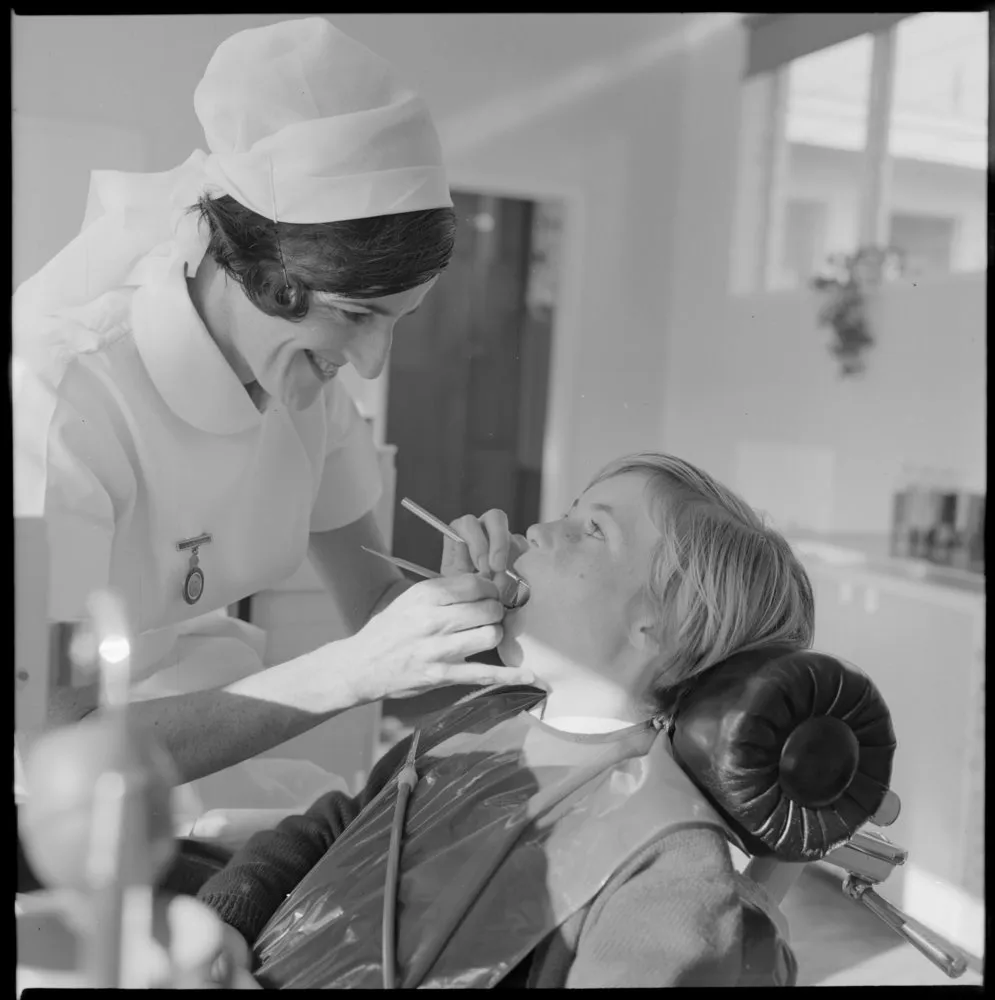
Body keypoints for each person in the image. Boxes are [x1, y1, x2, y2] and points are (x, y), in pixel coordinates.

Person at [12, 17, 534, 803]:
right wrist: (347, 675)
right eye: (357, 314)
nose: (370, 363)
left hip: (188, 751)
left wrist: (457, 604)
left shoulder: (309, 397)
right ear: (260, 271)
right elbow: (58, 743)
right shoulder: (61, 397)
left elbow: (377, 605)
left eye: (398, 319)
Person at [195, 452, 816, 988]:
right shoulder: (479, 721)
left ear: (656, 625)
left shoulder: (666, 865)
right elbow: (335, 828)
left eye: (591, 530)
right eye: (568, 512)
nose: (539, 531)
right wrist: (219, 922)